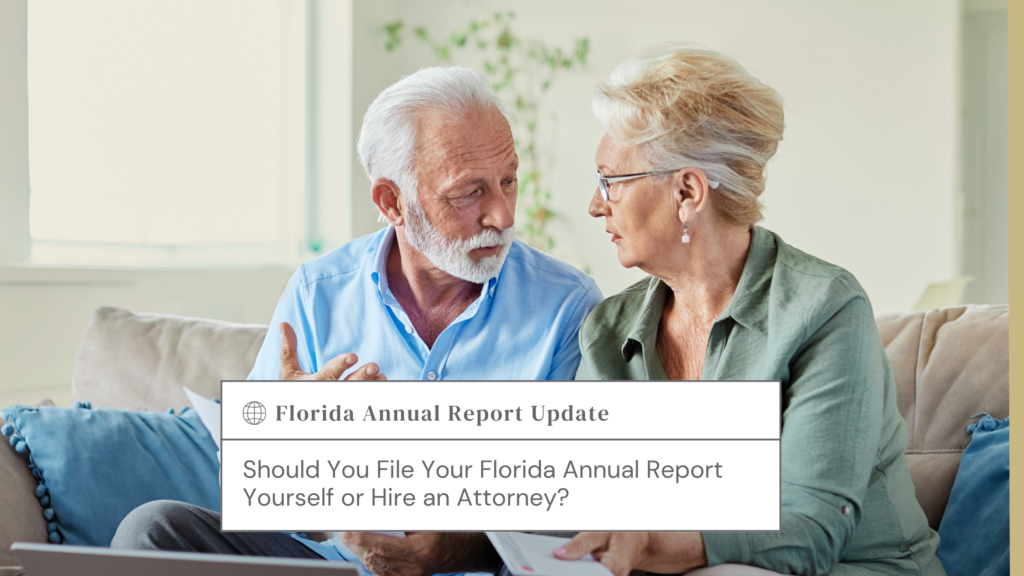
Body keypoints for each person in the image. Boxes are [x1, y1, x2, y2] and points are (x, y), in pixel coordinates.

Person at [111, 66, 602, 576]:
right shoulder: (317, 291)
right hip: (334, 566)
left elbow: (568, 516)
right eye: (469, 193)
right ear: (392, 201)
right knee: (153, 529)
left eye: (508, 181)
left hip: (481, 570)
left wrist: (452, 545)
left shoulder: (567, 307)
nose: (502, 215)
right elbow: (257, 489)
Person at [555, 44, 945, 576]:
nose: (596, 204)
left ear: (688, 191)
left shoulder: (824, 308)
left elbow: (808, 529)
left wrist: (652, 542)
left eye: (610, 180)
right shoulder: (608, 329)